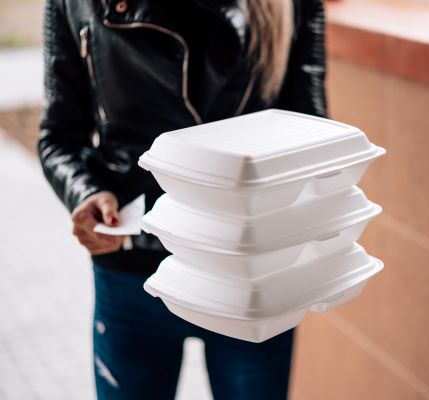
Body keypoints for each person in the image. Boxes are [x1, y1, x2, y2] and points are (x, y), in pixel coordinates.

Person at [38, 0, 327, 398]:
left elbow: (312, 138)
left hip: (250, 281)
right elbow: (58, 136)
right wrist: (86, 192)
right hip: (131, 274)